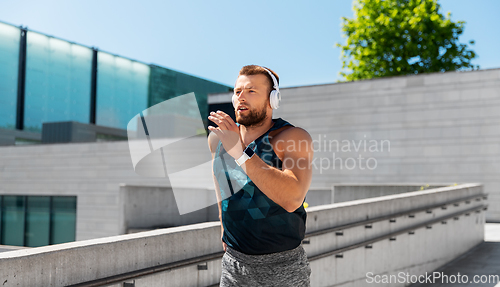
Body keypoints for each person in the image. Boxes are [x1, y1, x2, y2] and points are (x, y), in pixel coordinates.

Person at [207, 65, 314, 286]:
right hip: (233, 265)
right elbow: (220, 178)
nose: (241, 98)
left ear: (272, 99)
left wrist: (239, 151)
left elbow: (293, 198)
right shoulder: (218, 139)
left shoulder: (292, 137)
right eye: (237, 92)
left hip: (283, 268)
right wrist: (222, 223)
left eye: (251, 91)